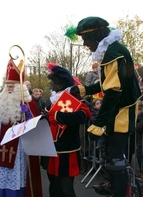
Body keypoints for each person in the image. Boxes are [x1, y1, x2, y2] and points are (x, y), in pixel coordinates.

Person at [66, 16, 141, 196]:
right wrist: (83, 90)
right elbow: (106, 84)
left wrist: (99, 123)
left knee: (116, 157)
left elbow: (114, 92)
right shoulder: (112, 51)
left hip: (122, 111)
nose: (85, 44)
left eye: (86, 39)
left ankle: (121, 192)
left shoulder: (113, 54)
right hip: (117, 111)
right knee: (110, 154)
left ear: (97, 36)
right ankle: (114, 186)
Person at [0, 58, 42, 197]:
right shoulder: (1, 102)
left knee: (16, 176)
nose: (9, 89)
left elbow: (34, 127)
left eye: (12, 86)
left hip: (19, 147)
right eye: (7, 85)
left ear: (20, 87)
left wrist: (28, 115)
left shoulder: (29, 104)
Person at [43, 63, 91, 197]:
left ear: (59, 84)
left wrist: (57, 116)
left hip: (67, 151)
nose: (50, 84)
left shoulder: (74, 99)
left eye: (52, 82)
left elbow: (83, 116)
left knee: (66, 189)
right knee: (54, 187)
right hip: (51, 149)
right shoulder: (51, 100)